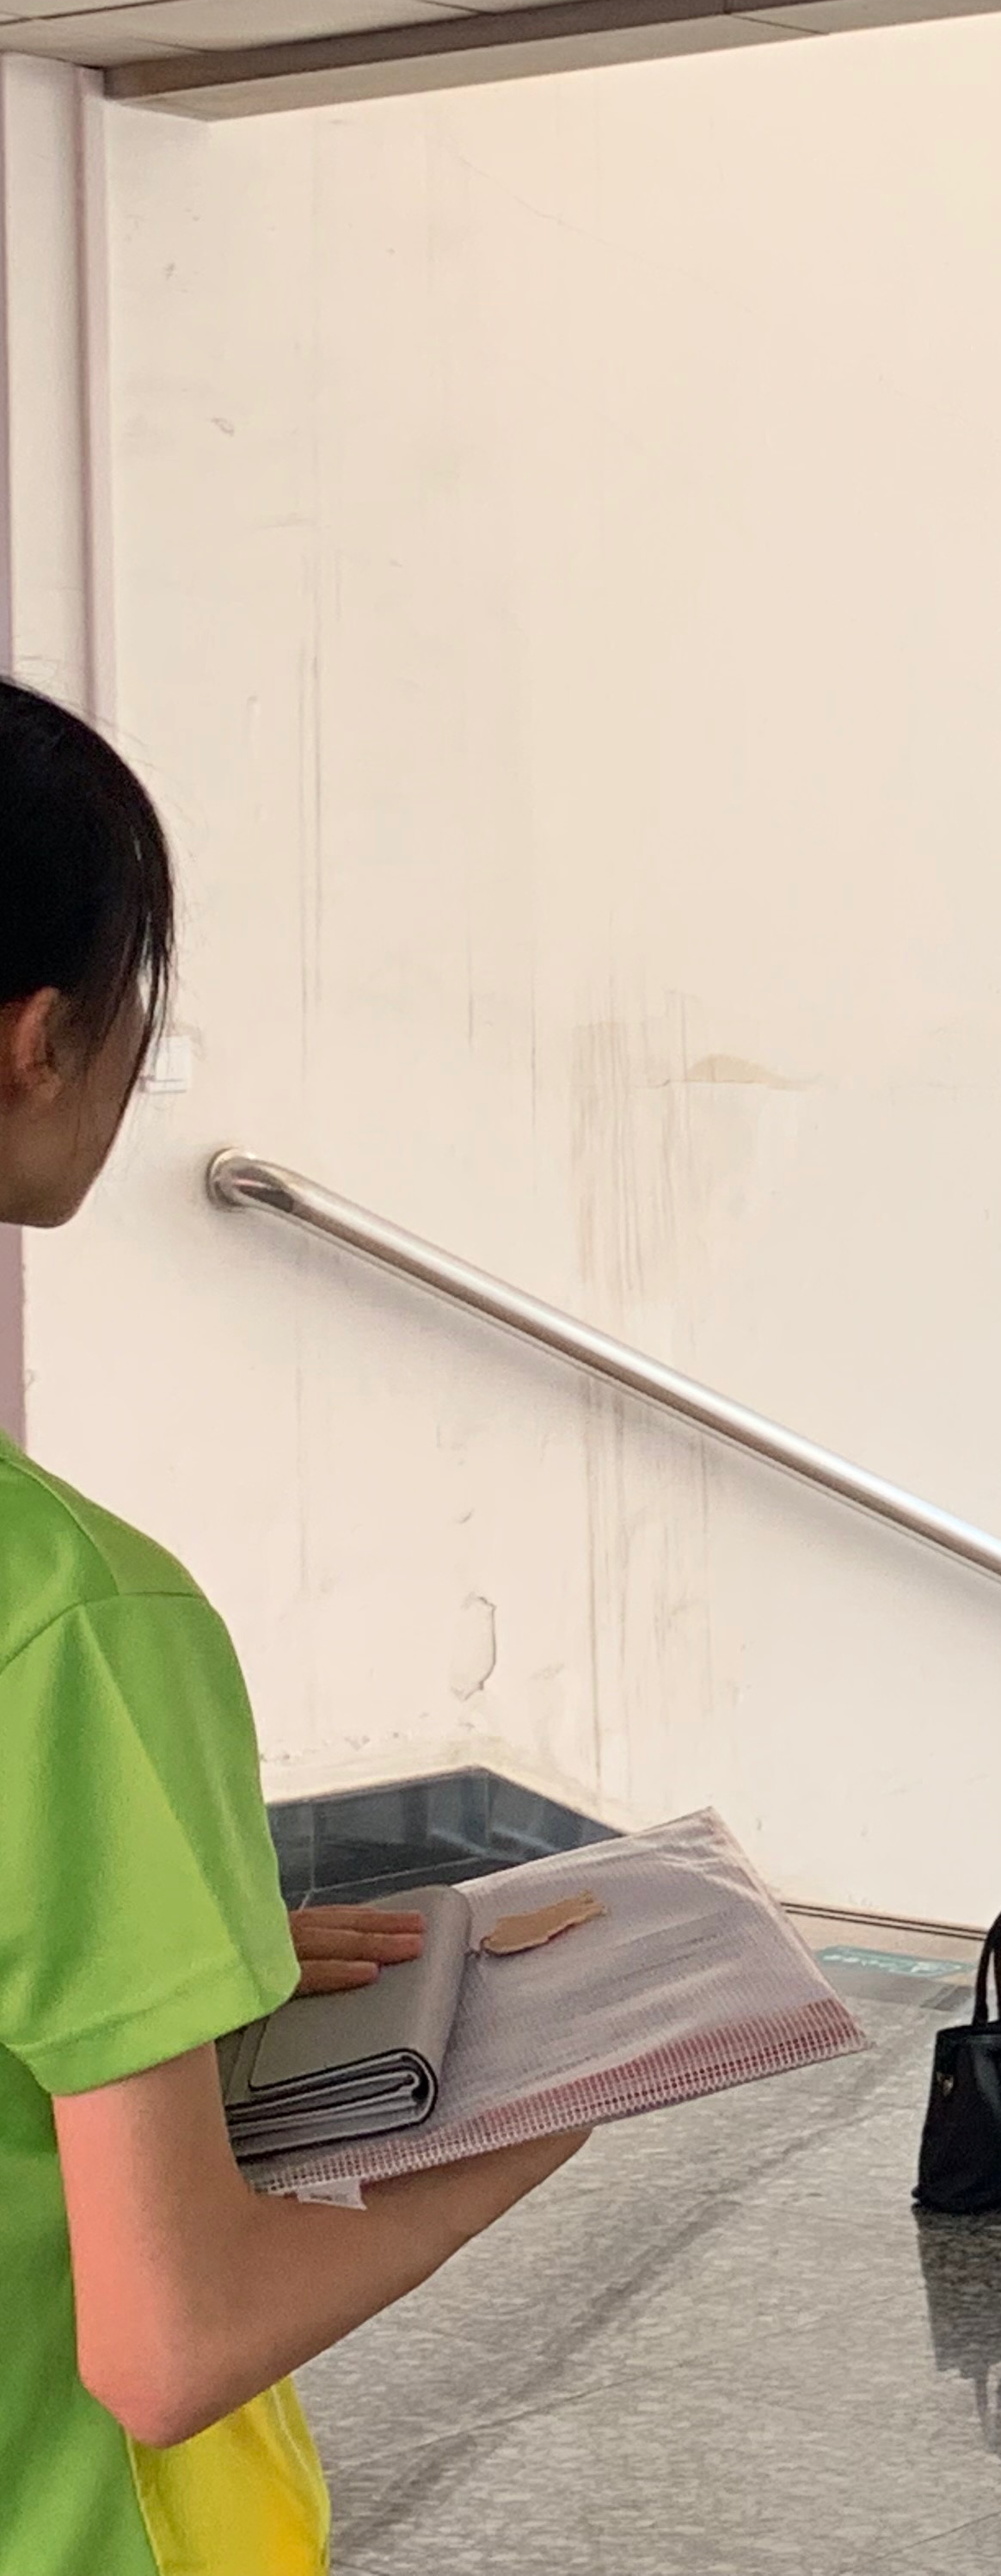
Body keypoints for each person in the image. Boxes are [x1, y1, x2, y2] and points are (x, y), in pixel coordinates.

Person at [0, 680, 590, 2576]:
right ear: (34, 1042)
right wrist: (551, 2115)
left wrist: (176, 1955)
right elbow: (169, 2344)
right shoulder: (78, 1623)